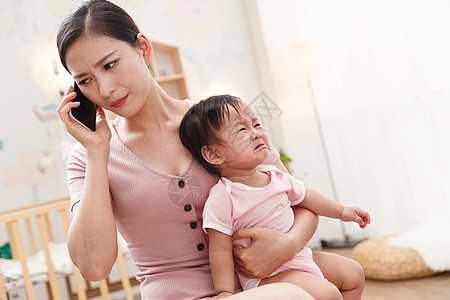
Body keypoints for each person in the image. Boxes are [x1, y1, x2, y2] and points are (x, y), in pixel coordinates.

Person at [55, 1, 324, 299]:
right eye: (85, 81)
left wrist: (288, 244)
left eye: (109, 65)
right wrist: (96, 152)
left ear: (143, 49)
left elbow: (300, 200)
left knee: (340, 278)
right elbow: (94, 268)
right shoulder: (89, 156)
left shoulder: (222, 121)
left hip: (259, 284)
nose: (104, 89)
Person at [179, 95, 371, 299]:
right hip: (267, 276)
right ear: (215, 155)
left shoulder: (276, 175)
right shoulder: (223, 197)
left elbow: (308, 197)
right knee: (328, 294)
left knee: (353, 273)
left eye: (256, 124)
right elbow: (220, 251)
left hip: (298, 255)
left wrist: (341, 212)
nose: (256, 134)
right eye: (242, 130)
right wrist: (225, 292)